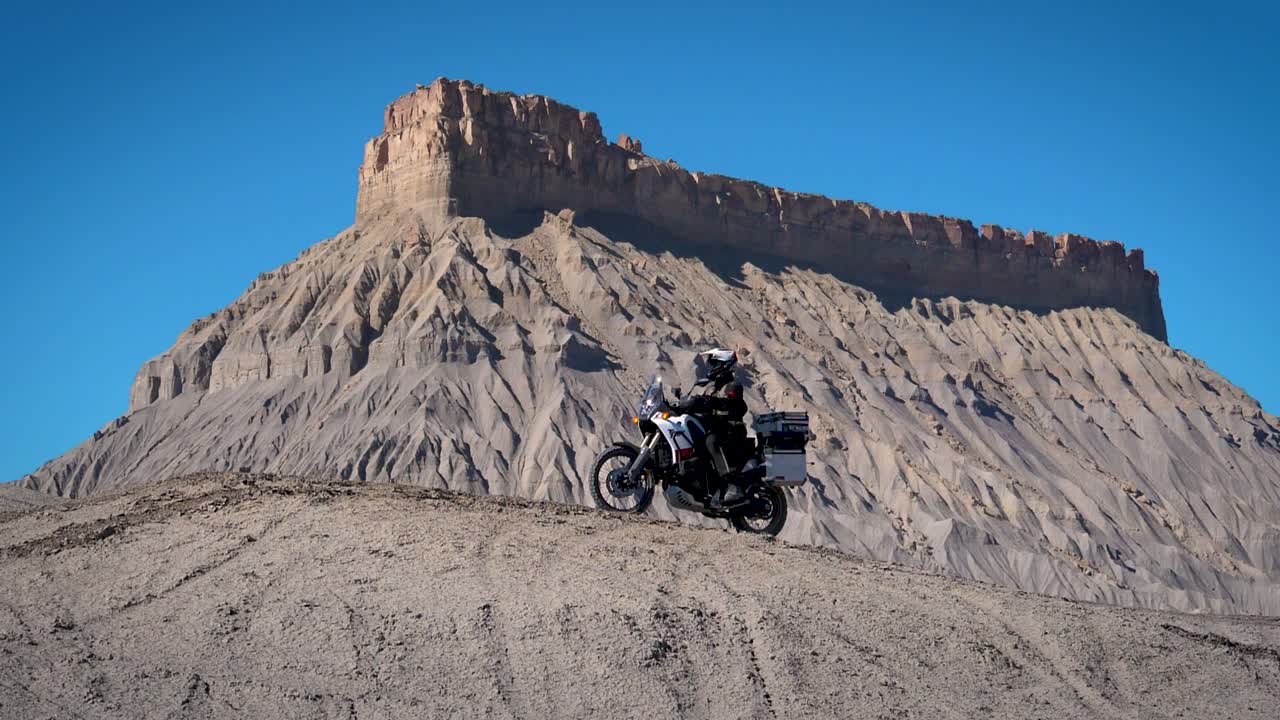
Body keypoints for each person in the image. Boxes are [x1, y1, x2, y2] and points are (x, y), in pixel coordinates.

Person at [673, 348, 749, 508]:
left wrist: (708, 403)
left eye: (714, 364)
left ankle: (731, 485)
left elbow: (733, 405)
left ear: (725, 365)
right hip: (718, 429)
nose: (711, 368)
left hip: (732, 431)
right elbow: (702, 403)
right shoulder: (713, 387)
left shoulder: (732, 385)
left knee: (711, 441)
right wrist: (683, 405)